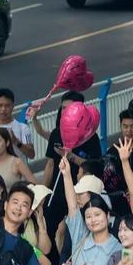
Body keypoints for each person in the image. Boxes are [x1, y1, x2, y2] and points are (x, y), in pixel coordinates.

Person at [41, 91, 102, 241]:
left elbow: (94, 166)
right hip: (56, 191)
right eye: (63, 108)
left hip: (78, 194)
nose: (65, 112)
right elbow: (50, 165)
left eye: (69, 109)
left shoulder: (90, 136)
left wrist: (71, 157)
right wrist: (43, 192)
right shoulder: (56, 133)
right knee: (49, 228)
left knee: (69, 233)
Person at [0, 88, 35, 161]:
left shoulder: (23, 128)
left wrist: (16, 141)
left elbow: (31, 154)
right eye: (0, 105)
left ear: (13, 106)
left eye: (7, 106)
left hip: (18, 171)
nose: (3, 109)